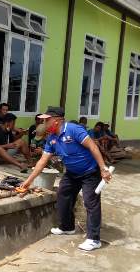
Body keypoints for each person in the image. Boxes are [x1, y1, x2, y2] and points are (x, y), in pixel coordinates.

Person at [19, 107, 112, 252]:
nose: (44, 122)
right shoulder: (51, 138)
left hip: (90, 172)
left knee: (90, 202)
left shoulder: (74, 130)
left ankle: (94, 239)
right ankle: (67, 227)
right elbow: (42, 162)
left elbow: (93, 147)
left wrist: (103, 169)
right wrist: (28, 181)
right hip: (72, 173)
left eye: (46, 120)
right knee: (63, 194)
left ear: (56, 120)